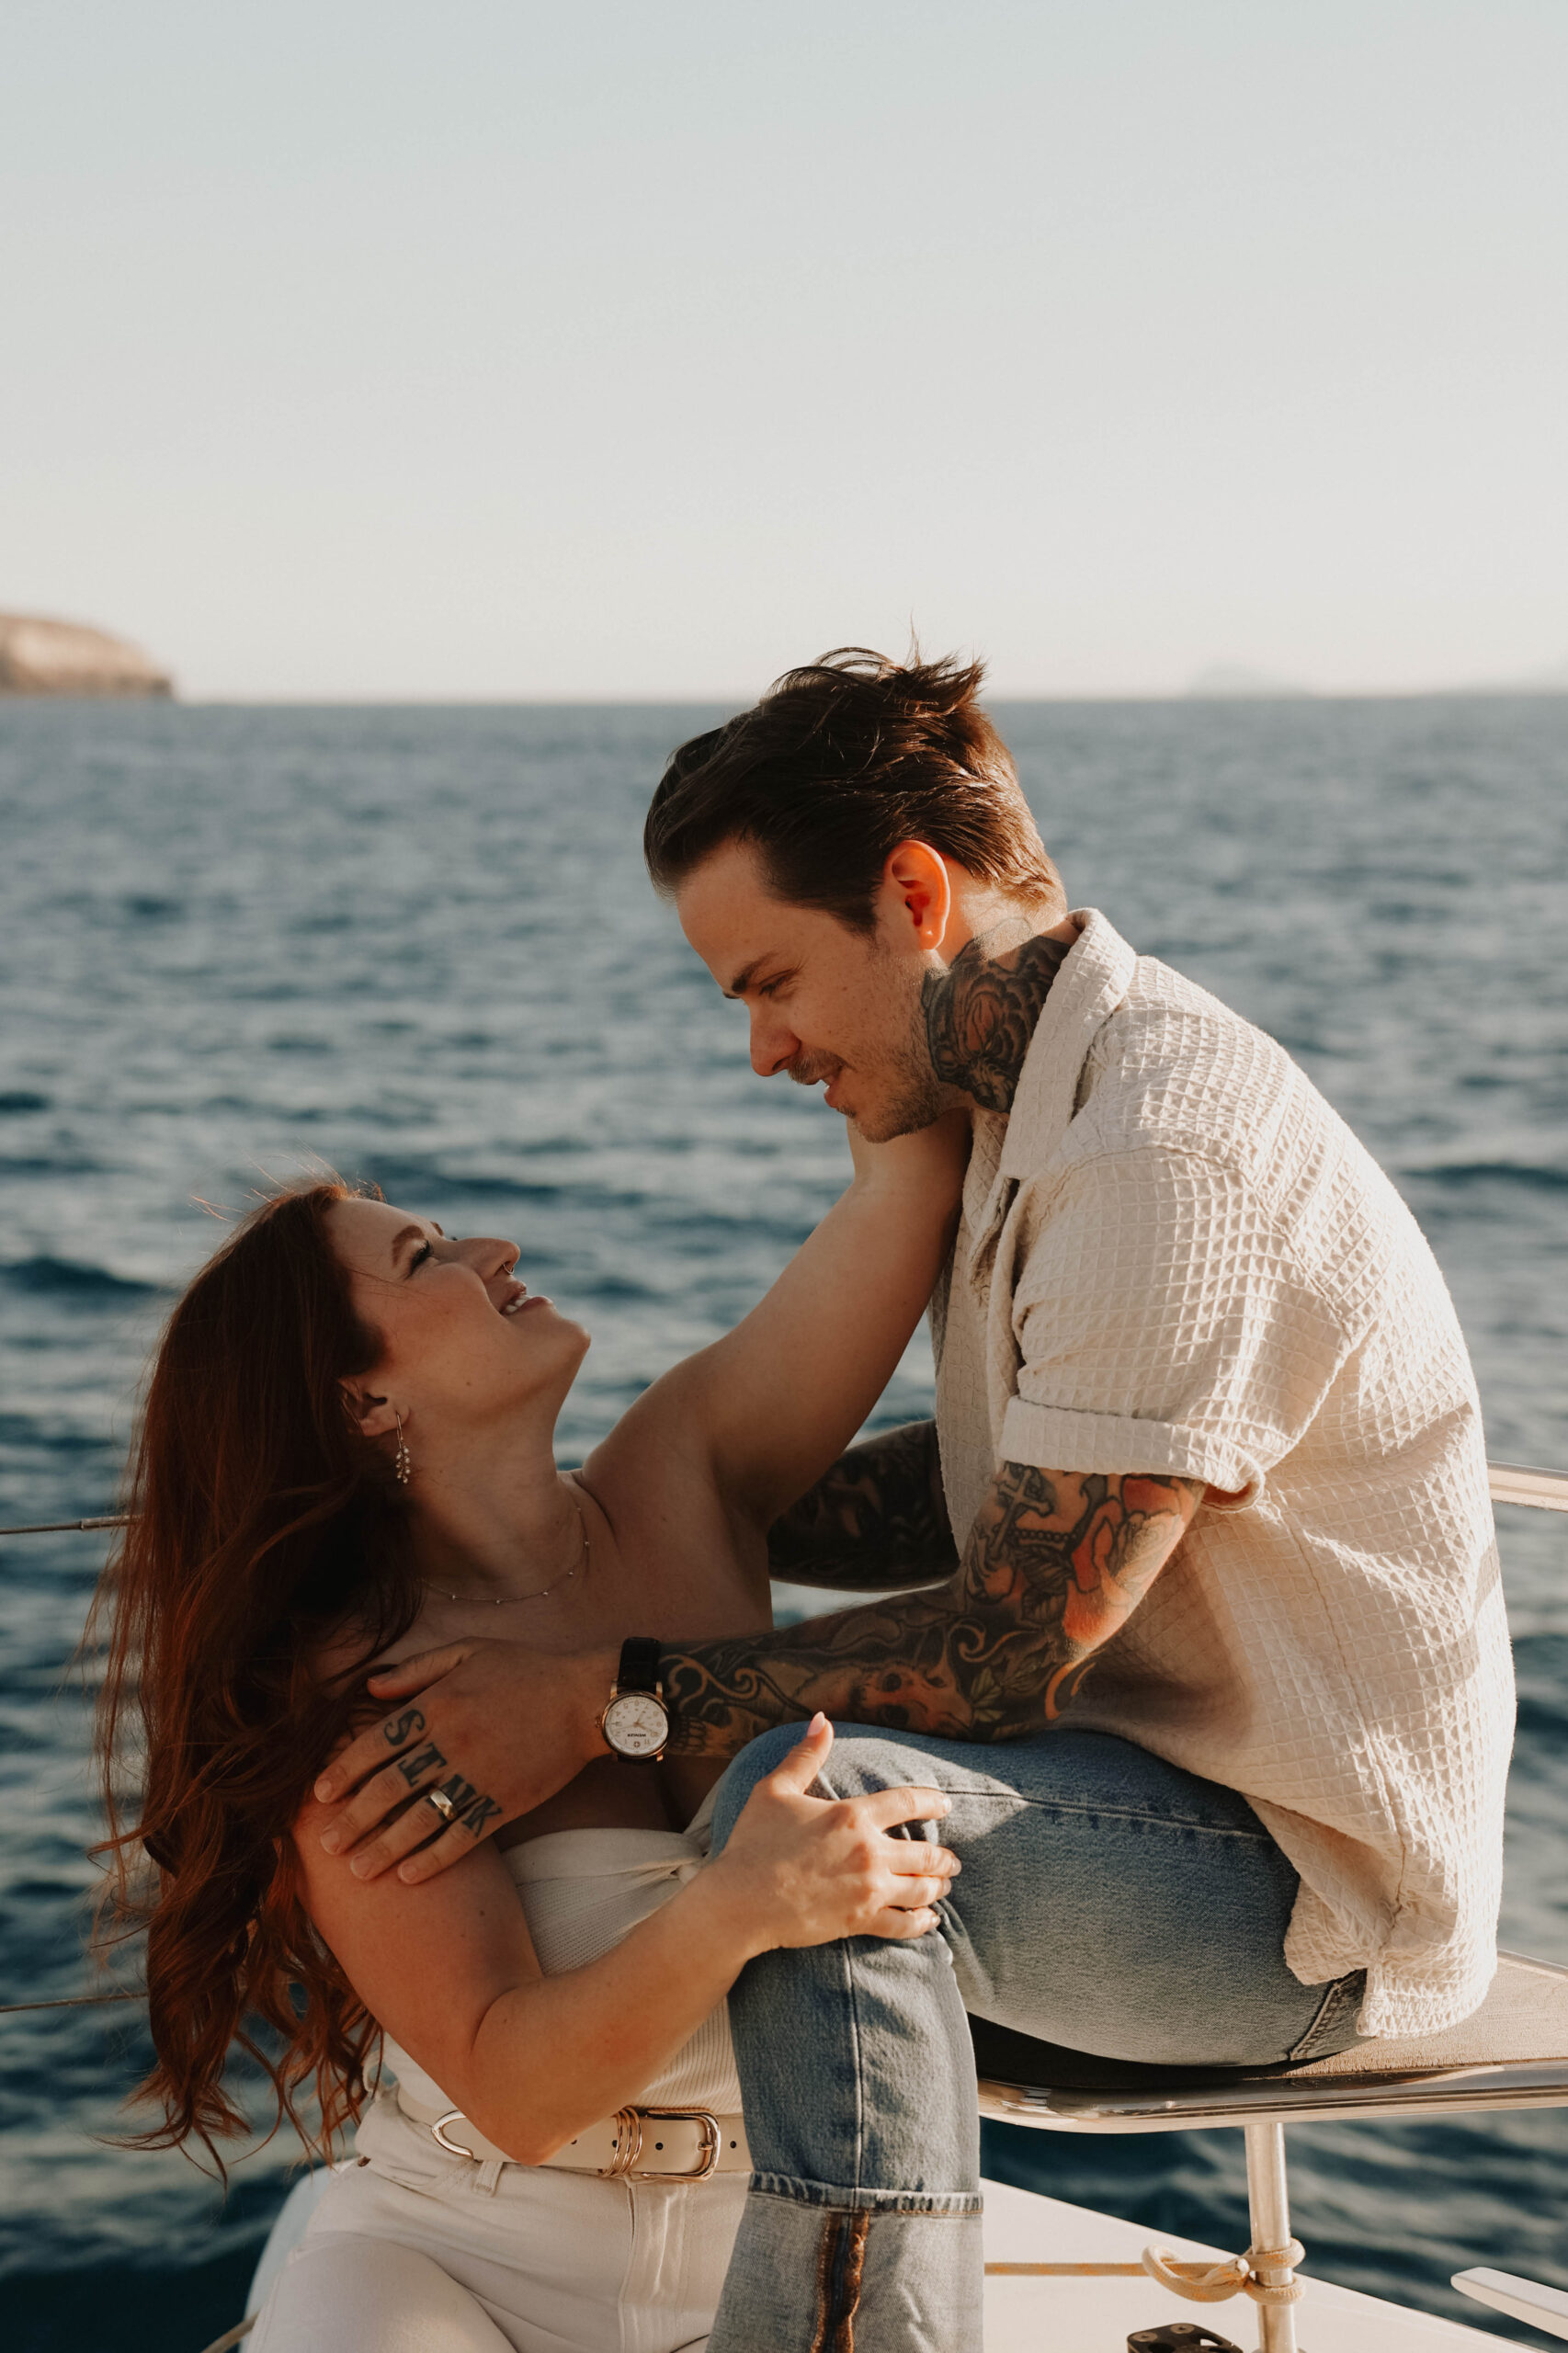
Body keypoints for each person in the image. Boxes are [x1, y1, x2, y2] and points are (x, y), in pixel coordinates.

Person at [319, 648, 1517, 2351]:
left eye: (774, 981)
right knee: (805, 1802)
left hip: (1307, 1894)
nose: (761, 1050)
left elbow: (1016, 1644)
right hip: (1149, 1792)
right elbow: (1003, 1492)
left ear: (909, 892)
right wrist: (645, 1520)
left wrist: (599, 1693)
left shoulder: (1152, 1152)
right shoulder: (1027, 1095)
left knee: (817, 1811)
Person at [93, 1112, 972, 2353]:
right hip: (461, 2260)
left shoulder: (687, 1472)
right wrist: (736, 1907)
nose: (493, 1248)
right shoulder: (358, 1686)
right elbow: (514, 2089)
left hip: (768, 2233)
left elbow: (901, 1187)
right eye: (423, 1259)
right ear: (363, 1398)